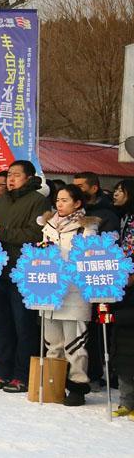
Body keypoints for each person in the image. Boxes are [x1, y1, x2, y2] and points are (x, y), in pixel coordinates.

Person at [0, 159, 45, 393]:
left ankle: (21, 375)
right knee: (0, 325)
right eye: (9, 174)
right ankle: (2, 371)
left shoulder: (38, 201)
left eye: (16, 175)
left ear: (28, 178)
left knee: (23, 325)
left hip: (22, 269)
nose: (10, 179)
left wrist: (3, 233)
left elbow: (35, 233)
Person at [40, 184, 100, 406]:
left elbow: (86, 258)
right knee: (53, 342)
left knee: (74, 344)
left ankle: (77, 385)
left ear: (77, 203)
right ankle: (53, 383)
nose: (60, 204)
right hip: (50, 290)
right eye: (58, 200)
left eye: (65, 200)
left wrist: (59, 256)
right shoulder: (47, 224)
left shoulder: (87, 227)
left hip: (75, 292)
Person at [110, 178, 134, 418]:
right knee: (124, 346)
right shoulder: (123, 218)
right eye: (115, 189)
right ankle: (126, 401)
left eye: (121, 190)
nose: (116, 194)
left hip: (130, 283)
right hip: (123, 286)